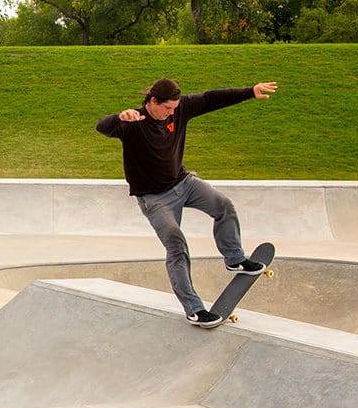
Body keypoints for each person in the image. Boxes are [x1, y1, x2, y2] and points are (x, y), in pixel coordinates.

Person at [96, 77, 279, 328]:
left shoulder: (180, 109)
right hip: (154, 198)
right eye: (167, 109)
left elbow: (211, 98)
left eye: (174, 108)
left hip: (184, 184)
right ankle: (194, 309)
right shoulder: (133, 122)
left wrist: (250, 91)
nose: (171, 113)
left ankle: (235, 258)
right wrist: (119, 117)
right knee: (176, 245)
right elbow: (101, 127)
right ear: (152, 101)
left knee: (223, 205)